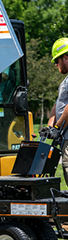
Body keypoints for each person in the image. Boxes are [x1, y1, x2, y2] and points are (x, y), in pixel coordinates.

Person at [45, 37, 68, 182]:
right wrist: (49, 126)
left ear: (65, 57)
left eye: (56, 61)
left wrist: (58, 126)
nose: (55, 65)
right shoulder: (65, 82)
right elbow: (58, 104)